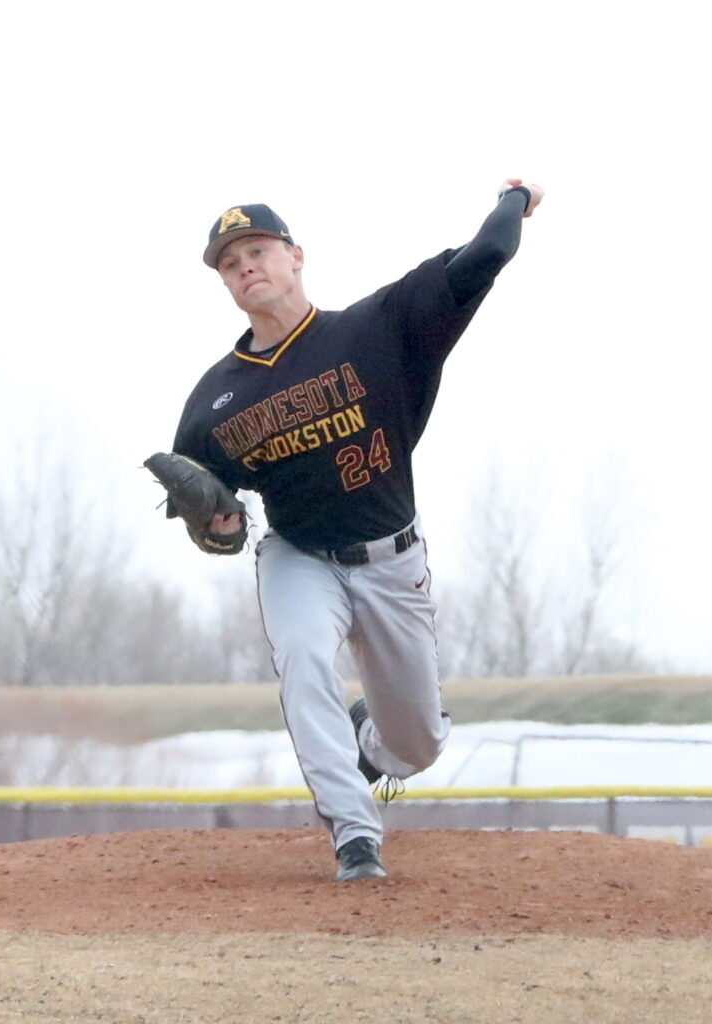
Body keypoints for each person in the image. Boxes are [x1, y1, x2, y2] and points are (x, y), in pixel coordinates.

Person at [169, 181, 544, 881]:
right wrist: (218, 527)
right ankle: (354, 835)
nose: (245, 267)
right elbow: (214, 520)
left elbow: (488, 253)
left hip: (392, 559)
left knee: (418, 746)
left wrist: (516, 197)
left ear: (296, 255)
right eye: (229, 263)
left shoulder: (377, 330)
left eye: (257, 250)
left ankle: (368, 740)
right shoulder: (214, 401)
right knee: (303, 653)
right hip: (300, 557)